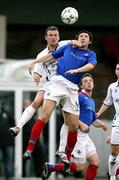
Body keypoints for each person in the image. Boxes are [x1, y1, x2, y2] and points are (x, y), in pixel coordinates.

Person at [23, 30, 97, 160]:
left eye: (86, 37)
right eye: (81, 36)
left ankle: (66, 157)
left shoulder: (90, 54)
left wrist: (77, 70)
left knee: (73, 126)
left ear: (89, 41)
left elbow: (91, 66)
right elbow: (51, 56)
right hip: (58, 83)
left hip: (73, 89)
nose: (83, 38)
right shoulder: (68, 47)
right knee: (44, 115)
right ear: (77, 39)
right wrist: (35, 62)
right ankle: (29, 149)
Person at [41, 73, 108, 180]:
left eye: (90, 81)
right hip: (77, 135)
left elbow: (93, 120)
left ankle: (52, 167)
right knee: (79, 167)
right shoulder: (79, 96)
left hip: (86, 137)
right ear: (81, 86)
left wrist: (102, 125)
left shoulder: (91, 101)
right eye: (85, 81)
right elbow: (69, 114)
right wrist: (81, 124)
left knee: (95, 162)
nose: (89, 83)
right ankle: (52, 167)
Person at [96, 63, 119, 180]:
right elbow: (107, 102)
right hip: (117, 124)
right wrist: (98, 114)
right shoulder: (112, 87)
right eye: (118, 69)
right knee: (114, 153)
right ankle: (112, 177)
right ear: (115, 71)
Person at [22, 98, 45, 177]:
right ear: (23, 105)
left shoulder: (35, 114)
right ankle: (23, 175)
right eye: (26, 104)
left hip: (35, 140)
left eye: (29, 104)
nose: (27, 105)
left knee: (39, 157)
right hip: (24, 141)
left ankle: (39, 175)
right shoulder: (21, 114)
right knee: (23, 160)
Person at [0, 100, 15, 180]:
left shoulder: (7, 113)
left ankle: (9, 177)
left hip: (8, 142)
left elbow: (14, 125)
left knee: (8, 160)